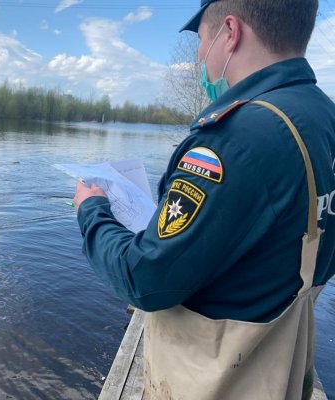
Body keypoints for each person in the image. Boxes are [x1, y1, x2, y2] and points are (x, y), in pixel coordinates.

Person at [73, 0, 335, 399]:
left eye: (202, 38)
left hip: (218, 379)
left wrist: (91, 209)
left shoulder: (236, 138)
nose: (199, 55)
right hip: (285, 361)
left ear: (230, 32)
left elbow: (144, 278)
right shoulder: (324, 119)